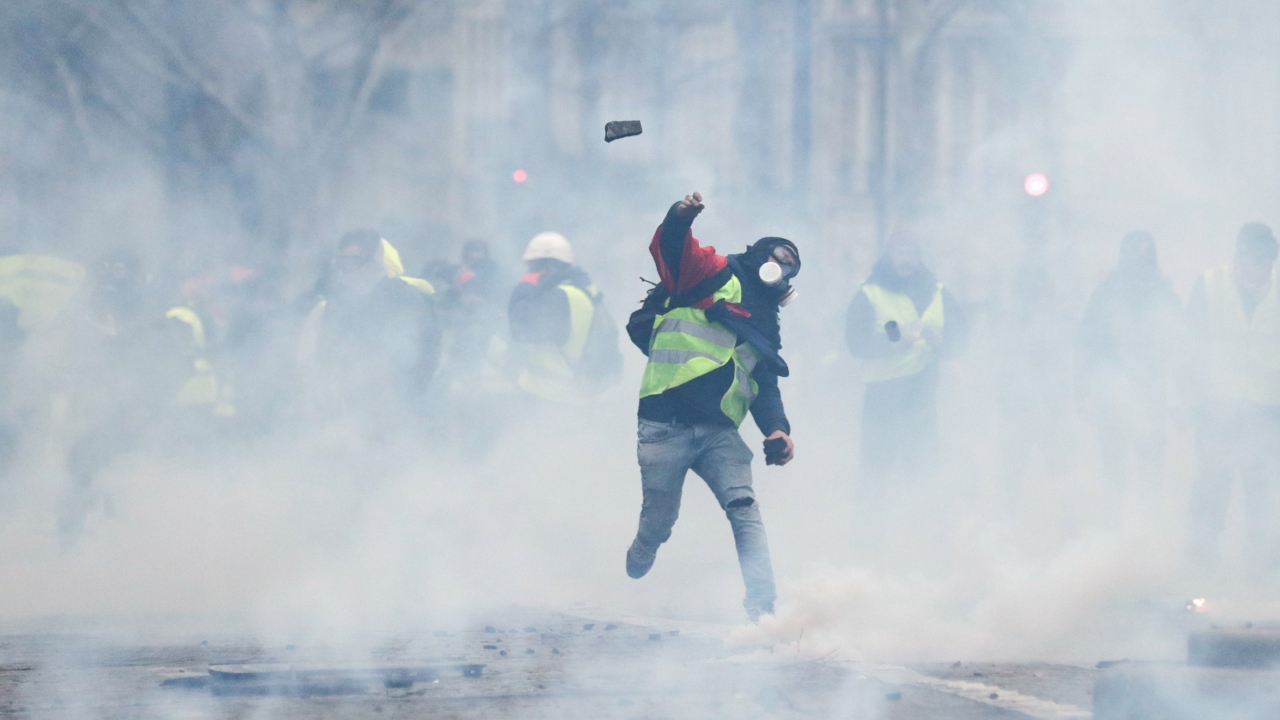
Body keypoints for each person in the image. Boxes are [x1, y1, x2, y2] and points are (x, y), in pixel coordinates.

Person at [625, 191, 797, 621]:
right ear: (759, 256)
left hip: (720, 432)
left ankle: (762, 607)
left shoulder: (767, 326)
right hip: (665, 422)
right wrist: (681, 215)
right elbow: (673, 248)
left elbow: (763, 381)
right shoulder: (717, 274)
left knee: (743, 507)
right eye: (779, 258)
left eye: (791, 266)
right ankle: (645, 547)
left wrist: (777, 429)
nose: (782, 267)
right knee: (660, 518)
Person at [1184, 222, 1280, 573]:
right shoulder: (1210, 286)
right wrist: (1191, 399)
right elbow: (1188, 345)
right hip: (1217, 408)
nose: (1260, 272)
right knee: (1212, 486)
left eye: (1267, 264)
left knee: (1263, 492)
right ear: (1238, 258)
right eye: (1254, 263)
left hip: (1268, 410)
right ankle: (1200, 562)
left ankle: (1260, 567)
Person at [845, 229, 968, 502]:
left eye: (913, 253)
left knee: (924, 473)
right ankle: (871, 540)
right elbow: (855, 342)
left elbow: (960, 340)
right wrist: (892, 343)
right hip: (881, 400)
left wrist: (941, 342)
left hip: (922, 398)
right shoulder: (869, 292)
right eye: (901, 252)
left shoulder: (938, 292)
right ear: (889, 255)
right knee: (875, 475)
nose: (907, 259)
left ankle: (924, 535)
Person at [1077, 232, 1182, 502]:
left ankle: (1148, 525)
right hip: (1109, 396)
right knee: (1113, 469)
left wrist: (1180, 398)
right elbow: (1086, 347)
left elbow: (1183, 348)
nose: (1140, 265)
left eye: (1146, 259)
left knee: (1151, 469)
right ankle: (1113, 530)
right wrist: (1084, 395)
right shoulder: (1104, 295)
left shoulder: (1165, 295)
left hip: (1151, 395)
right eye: (1135, 258)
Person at [297, 230, 442, 424]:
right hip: (351, 403)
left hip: (398, 403)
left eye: (354, 262)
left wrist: (413, 391)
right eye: (342, 262)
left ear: (375, 262)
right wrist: (328, 391)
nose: (347, 270)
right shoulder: (339, 300)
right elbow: (327, 348)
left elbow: (428, 347)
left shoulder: (404, 296)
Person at [508, 231, 619, 402]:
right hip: (572, 395)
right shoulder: (586, 292)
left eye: (532, 268)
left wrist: (525, 287)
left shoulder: (560, 297)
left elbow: (521, 329)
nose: (528, 273)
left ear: (547, 268)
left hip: (549, 397)